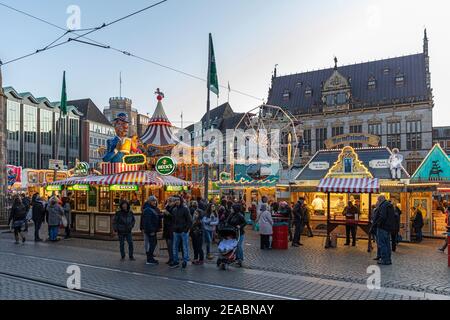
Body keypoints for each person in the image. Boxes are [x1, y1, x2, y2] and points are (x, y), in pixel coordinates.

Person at [373, 195, 396, 265]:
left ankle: (384, 259)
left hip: (382, 228)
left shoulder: (383, 206)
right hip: (388, 228)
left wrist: (378, 224)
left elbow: (382, 217)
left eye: (378, 200)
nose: (378, 202)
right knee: (387, 244)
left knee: (382, 244)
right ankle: (388, 259)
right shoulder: (389, 205)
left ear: (380, 200)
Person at [170, 196, 192, 269]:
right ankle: (175, 261)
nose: (177, 201)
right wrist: (173, 229)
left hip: (183, 231)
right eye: (175, 200)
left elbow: (189, 220)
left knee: (185, 246)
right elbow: (173, 220)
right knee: (174, 247)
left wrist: (185, 230)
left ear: (181, 201)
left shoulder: (185, 209)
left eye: (178, 200)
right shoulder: (174, 209)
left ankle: (185, 260)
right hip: (176, 231)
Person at [140, 196, 162, 265]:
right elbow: (147, 222)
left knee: (154, 243)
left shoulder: (152, 209)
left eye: (155, 201)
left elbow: (156, 216)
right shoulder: (148, 210)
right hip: (151, 231)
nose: (154, 202)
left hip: (153, 230)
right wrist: (151, 231)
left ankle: (150, 257)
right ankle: (149, 259)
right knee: (152, 243)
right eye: (153, 201)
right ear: (149, 202)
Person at [163, 197, 176, 265]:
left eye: (171, 201)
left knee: (171, 244)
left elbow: (175, 218)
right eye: (168, 201)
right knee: (168, 245)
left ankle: (173, 259)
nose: (169, 202)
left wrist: (168, 214)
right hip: (167, 229)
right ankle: (170, 258)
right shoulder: (167, 207)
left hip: (171, 229)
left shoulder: (175, 209)